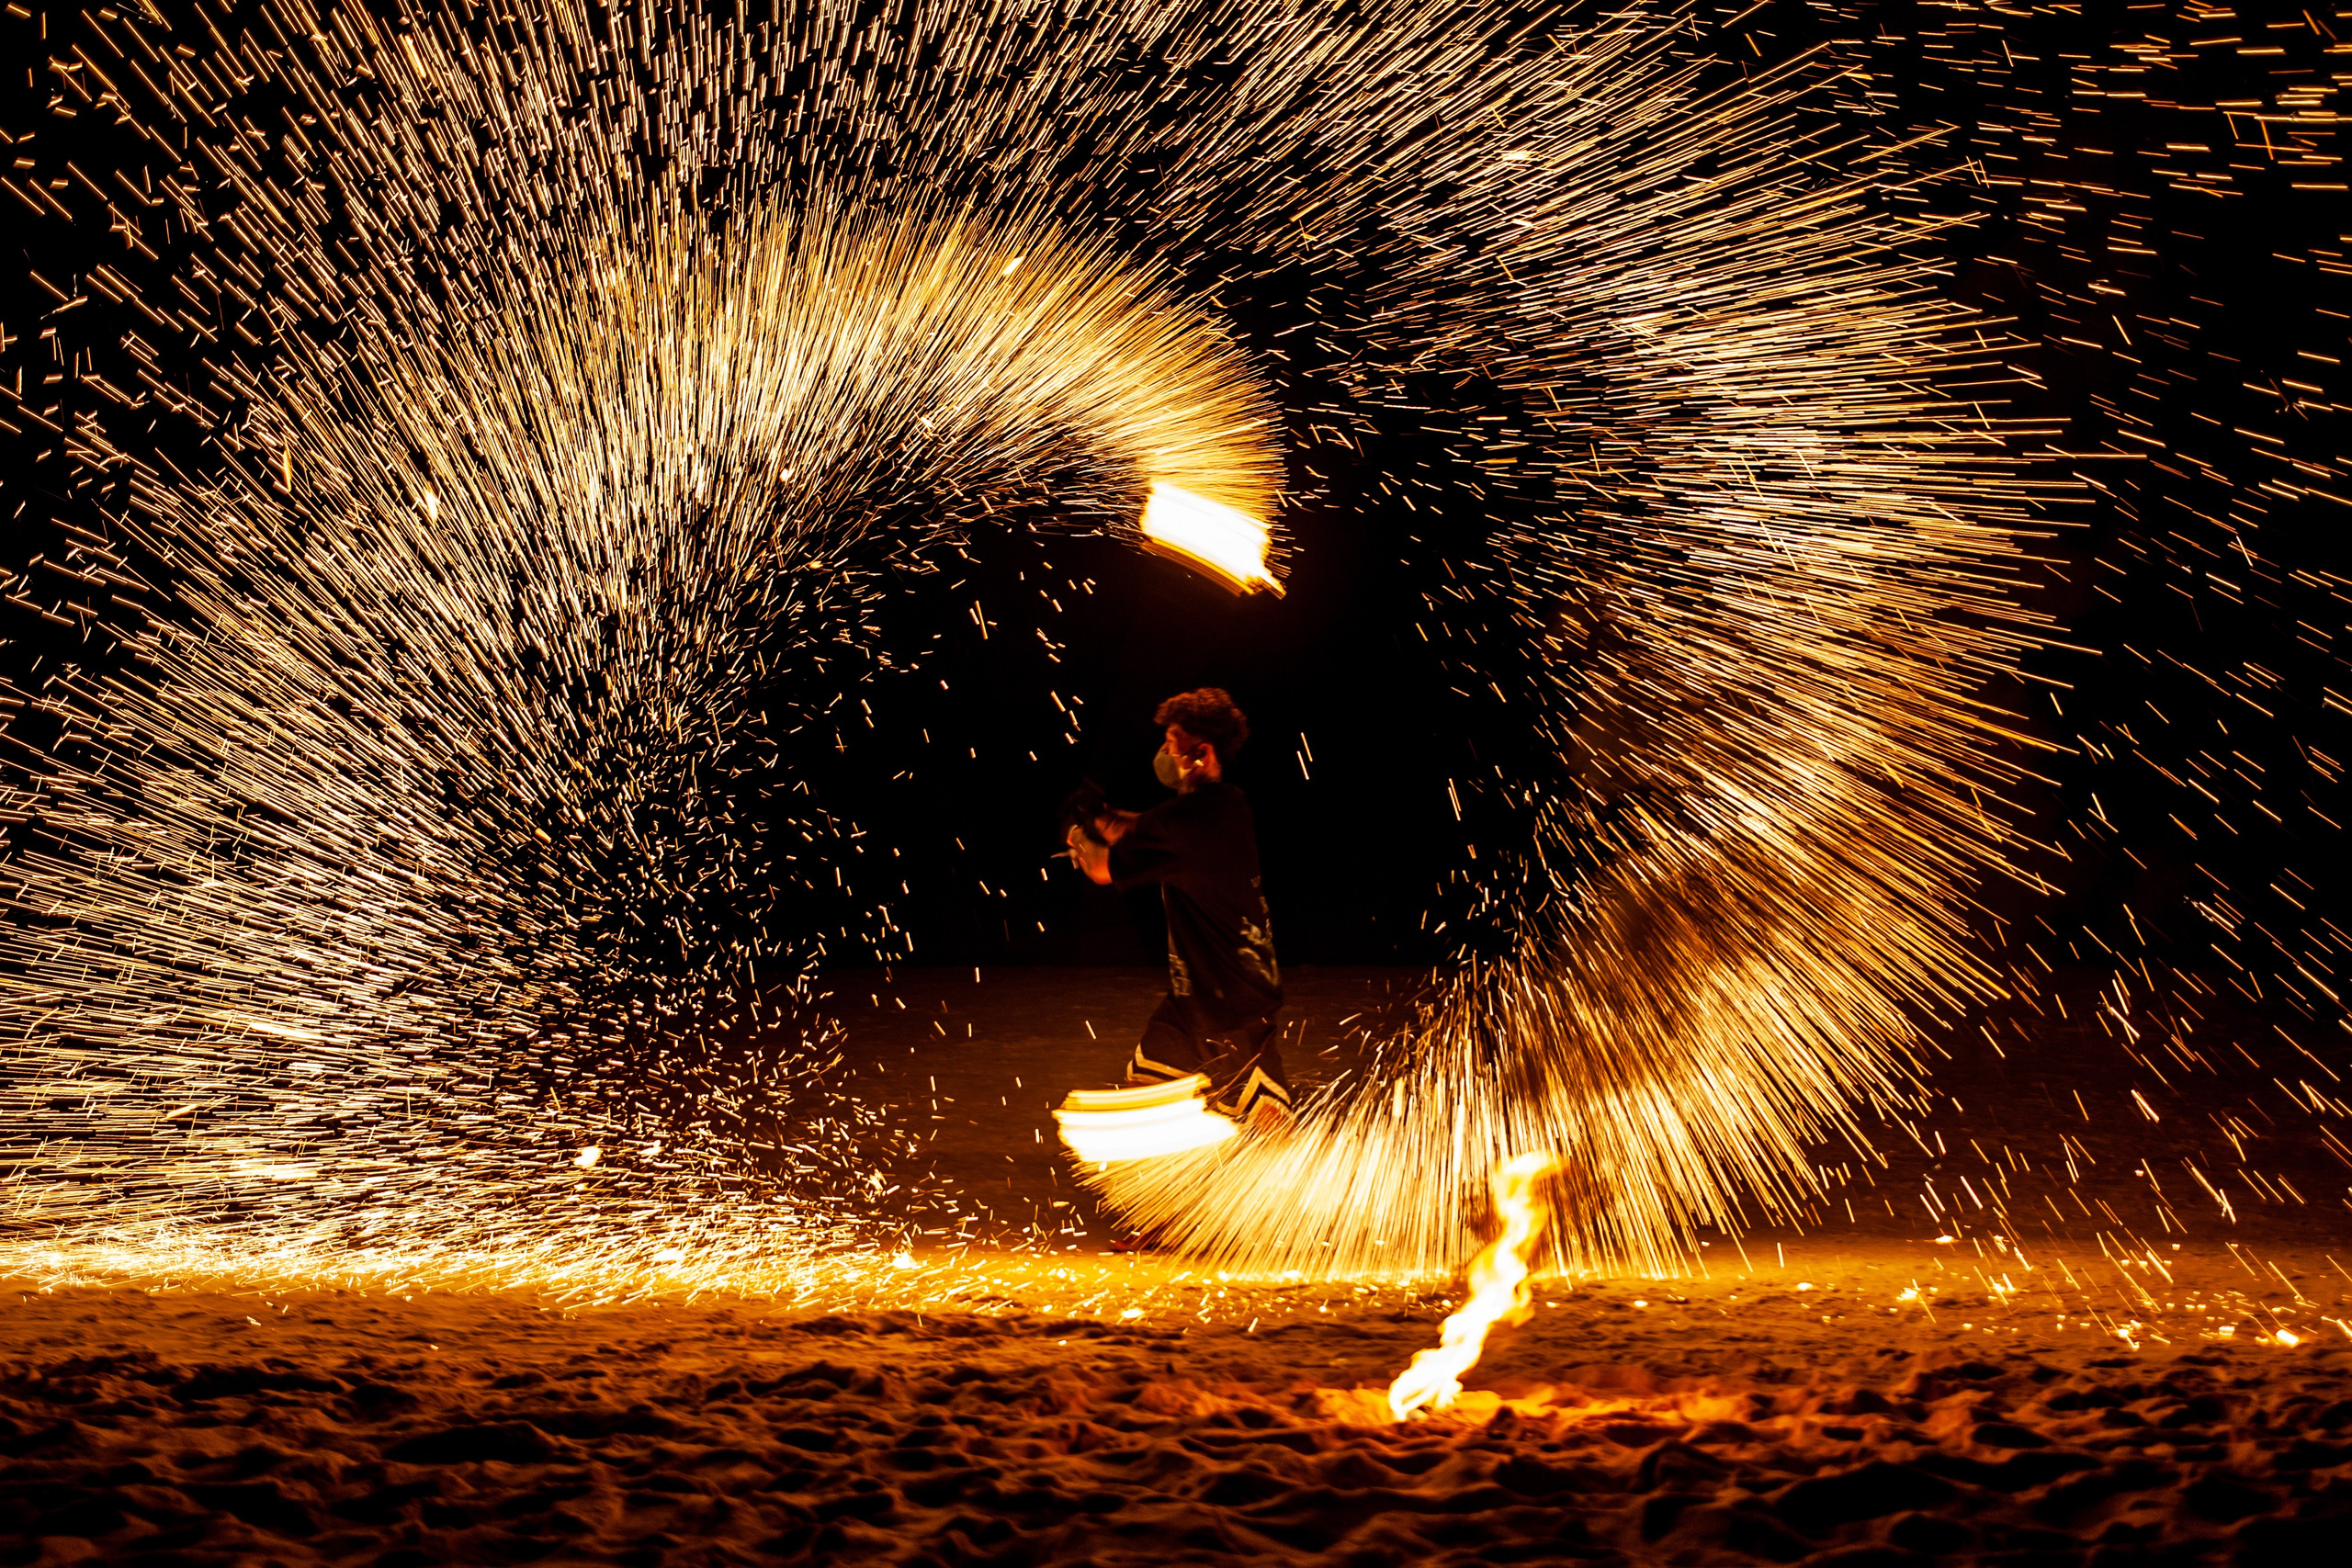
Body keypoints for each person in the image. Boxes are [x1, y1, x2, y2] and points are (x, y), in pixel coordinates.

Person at [1064, 688, 1294, 1131]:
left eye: (1171, 740)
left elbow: (1099, 867)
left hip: (1233, 1006)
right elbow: (1142, 828)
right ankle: (1193, 1189)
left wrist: (1076, 836)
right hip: (1194, 1000)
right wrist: (1100, 814)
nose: (1165, 751)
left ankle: (1301, 1187)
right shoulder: (1224, 806)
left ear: (1199, 753)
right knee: (1145, 1094)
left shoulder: (1189, 822)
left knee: (1268, 1125)